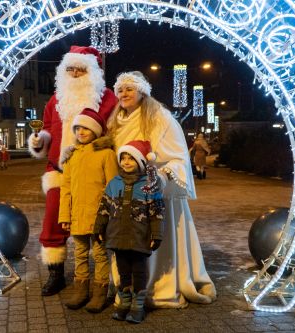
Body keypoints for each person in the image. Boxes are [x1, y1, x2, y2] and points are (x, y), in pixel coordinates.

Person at [107, 71, 216, 308]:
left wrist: (162, 178)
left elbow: (178, 157)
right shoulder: (115, 121)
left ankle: (157, 287)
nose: (123, 94)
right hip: (129, 194)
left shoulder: (160, 118)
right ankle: (130, 288)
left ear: (142, 91)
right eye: (120, 90)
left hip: (158, 193)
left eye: (129, 89)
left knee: (158, 241)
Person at [28, 46, 118, 296]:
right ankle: (56, 275)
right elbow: (46, 129)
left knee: (97, 224)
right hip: (59, 171)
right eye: (71, 69)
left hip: (93, 173)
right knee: (53, 223)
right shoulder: (55, 100)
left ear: (93, 71)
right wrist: (39, 141)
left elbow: (117, 131)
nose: (76, 74)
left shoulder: (108, 98)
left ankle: (103, 279)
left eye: (82, 69)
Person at [94, 140, 165, 324]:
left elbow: (157, 212)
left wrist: (156, 235)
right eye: (123, 158)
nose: (126, 162)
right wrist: (99, 227)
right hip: (117, 236)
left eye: (131, 158)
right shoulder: (113, 183)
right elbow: (104, 207)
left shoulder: (150, 184)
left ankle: (138, 306)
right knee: (123, 271)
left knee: (139, 272)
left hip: (139, 237)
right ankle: (124, 304)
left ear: (141, 162)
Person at [58, 108, 118, 313]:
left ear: (96, 130)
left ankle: (100, 293)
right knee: (80, 253)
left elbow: (113, 187)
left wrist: (110, 215)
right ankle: (80, 292)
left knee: (101, 255)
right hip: (77, 215)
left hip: (99, 216)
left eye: (86, 128)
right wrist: (64, 216)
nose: (81, 132)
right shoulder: (72, 156)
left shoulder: (106, 154)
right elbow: (65, 189)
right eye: (78, 128)